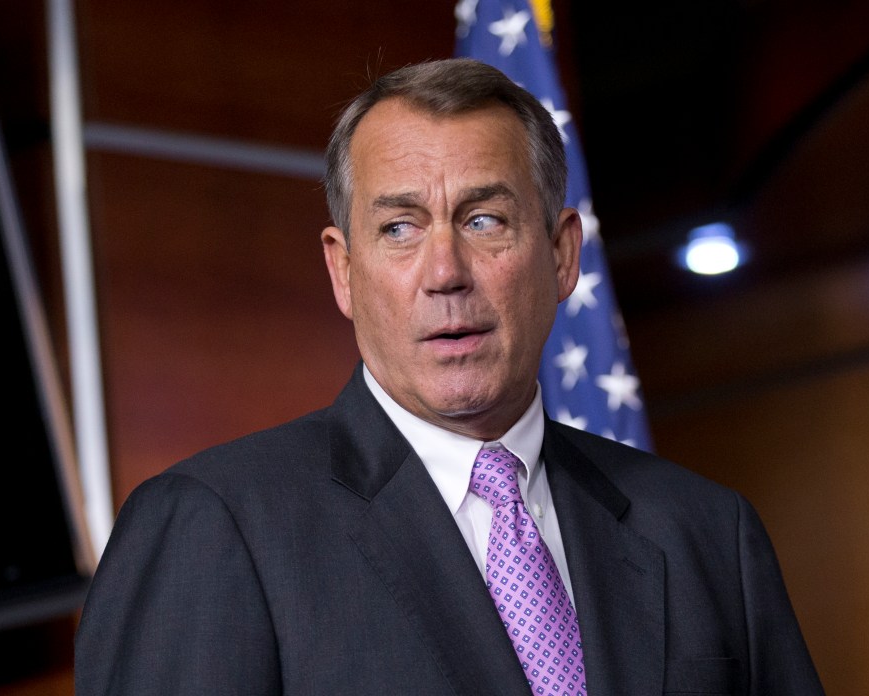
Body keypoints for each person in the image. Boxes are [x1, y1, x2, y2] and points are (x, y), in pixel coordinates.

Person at [74, 58, 824, 695]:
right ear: (343, 270)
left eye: (484, 220)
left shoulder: (706, 532)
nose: (444, 272)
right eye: (399, 228)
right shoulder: (213, 527)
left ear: (563, 255)